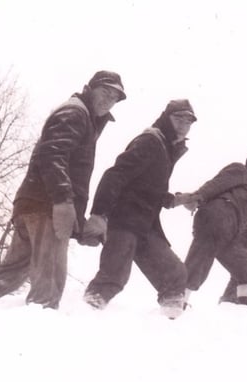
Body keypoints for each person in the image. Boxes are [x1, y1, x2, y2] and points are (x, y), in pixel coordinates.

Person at [0, 70, 126, 309]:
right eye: (105, 92)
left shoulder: (84, 116)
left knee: (11, 273)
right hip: (46, 206)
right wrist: (63, 202)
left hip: (36, 203)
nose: (108, 100)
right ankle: (39, 329)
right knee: (48, 287)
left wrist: (77, 224)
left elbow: (61, 163)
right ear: (90, 88)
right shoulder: (75, 112)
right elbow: (52, 156)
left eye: (114, 98)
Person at [81, 99, 197, 319]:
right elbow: (114, 175)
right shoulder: (151, 141)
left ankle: (170, 325)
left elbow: (148, 189)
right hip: (124, 221)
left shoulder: (166, 148)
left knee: (175, 273)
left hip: (146, 226)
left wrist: (176, 200)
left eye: (188, 120)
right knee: (113, 277)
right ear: (166, 118)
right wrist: (99, 215)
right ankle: (82, 317)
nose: (183, 124)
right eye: (178, 118)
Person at [173, 150, 247, 307]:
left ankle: (245, 312)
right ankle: (175, 304)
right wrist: (196, 198)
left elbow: (243, 223)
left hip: (229, 235)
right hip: (215, 222)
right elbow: (216, 184)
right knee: (198, 265)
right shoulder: (240, 170)